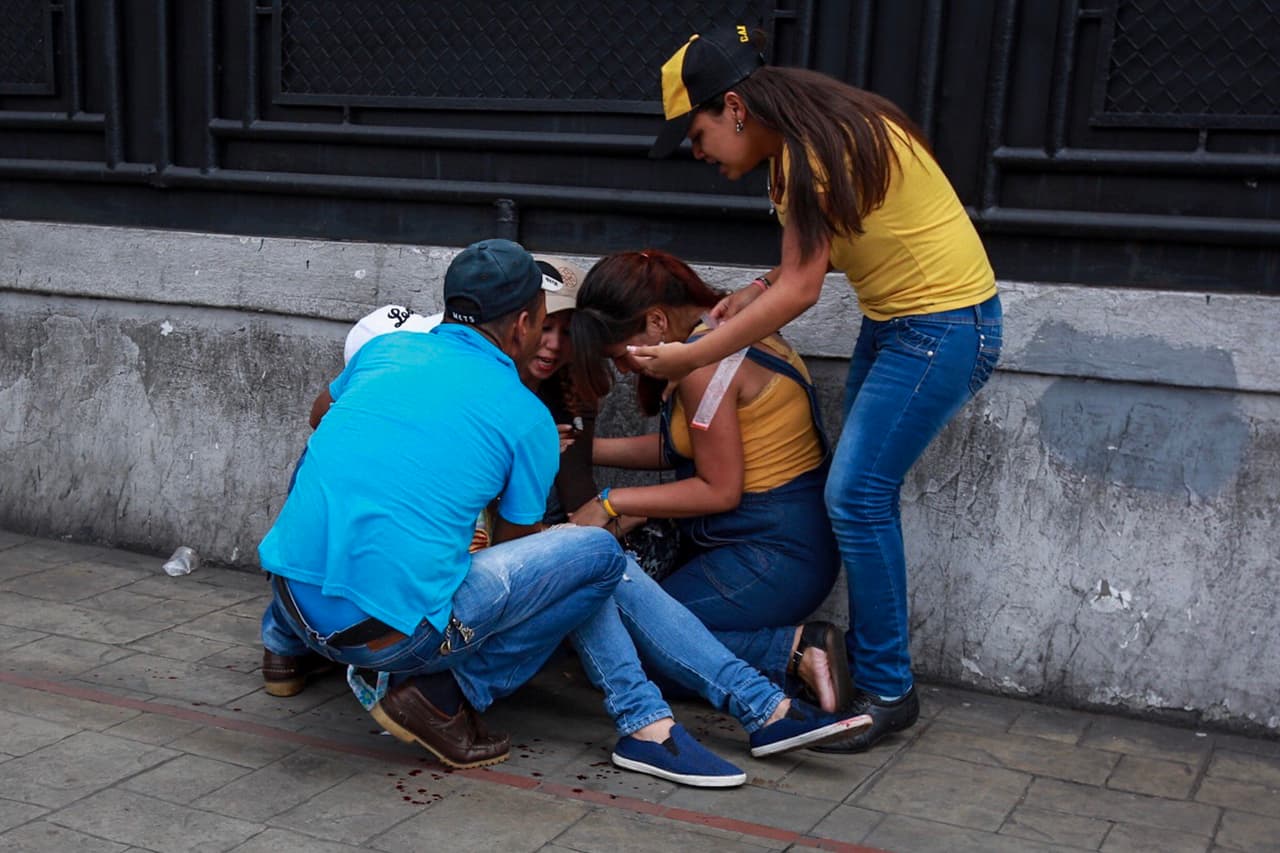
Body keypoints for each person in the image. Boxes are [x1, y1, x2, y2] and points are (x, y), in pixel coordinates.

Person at [257, 239, 868, 786]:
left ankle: (687, 722)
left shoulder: (386, 352)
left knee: (588, 562)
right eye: (546, 321)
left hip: (292, 604)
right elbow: (522, 557)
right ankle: (716, 714)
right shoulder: (520, 413)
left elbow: (321, 415)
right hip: (391, 642)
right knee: (596, 557)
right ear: (524, 323)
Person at [637, 24, 1004, 752]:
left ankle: (888, 689)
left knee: (856, 496)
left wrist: (688, 357)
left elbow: (804, 289)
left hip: (941, 328)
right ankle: (873, 674)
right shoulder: (808, 140)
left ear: (735, 107)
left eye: (699, 132)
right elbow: (812, 259)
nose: (700, 152)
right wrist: (754, 289)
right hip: (904, 324)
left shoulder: (813, 151)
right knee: (858, 493)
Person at [567, 249, 854, 714]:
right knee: (625, 632)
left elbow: (719, 489)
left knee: (631, 645)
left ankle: (797, 651)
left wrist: (611, 502)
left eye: (620, 355)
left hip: (773, 553)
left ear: (657, 322)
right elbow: (686, 447)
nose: (622, 370)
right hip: (775, 543)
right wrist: (584, 451)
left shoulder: (704, 366)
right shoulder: (726, 329)